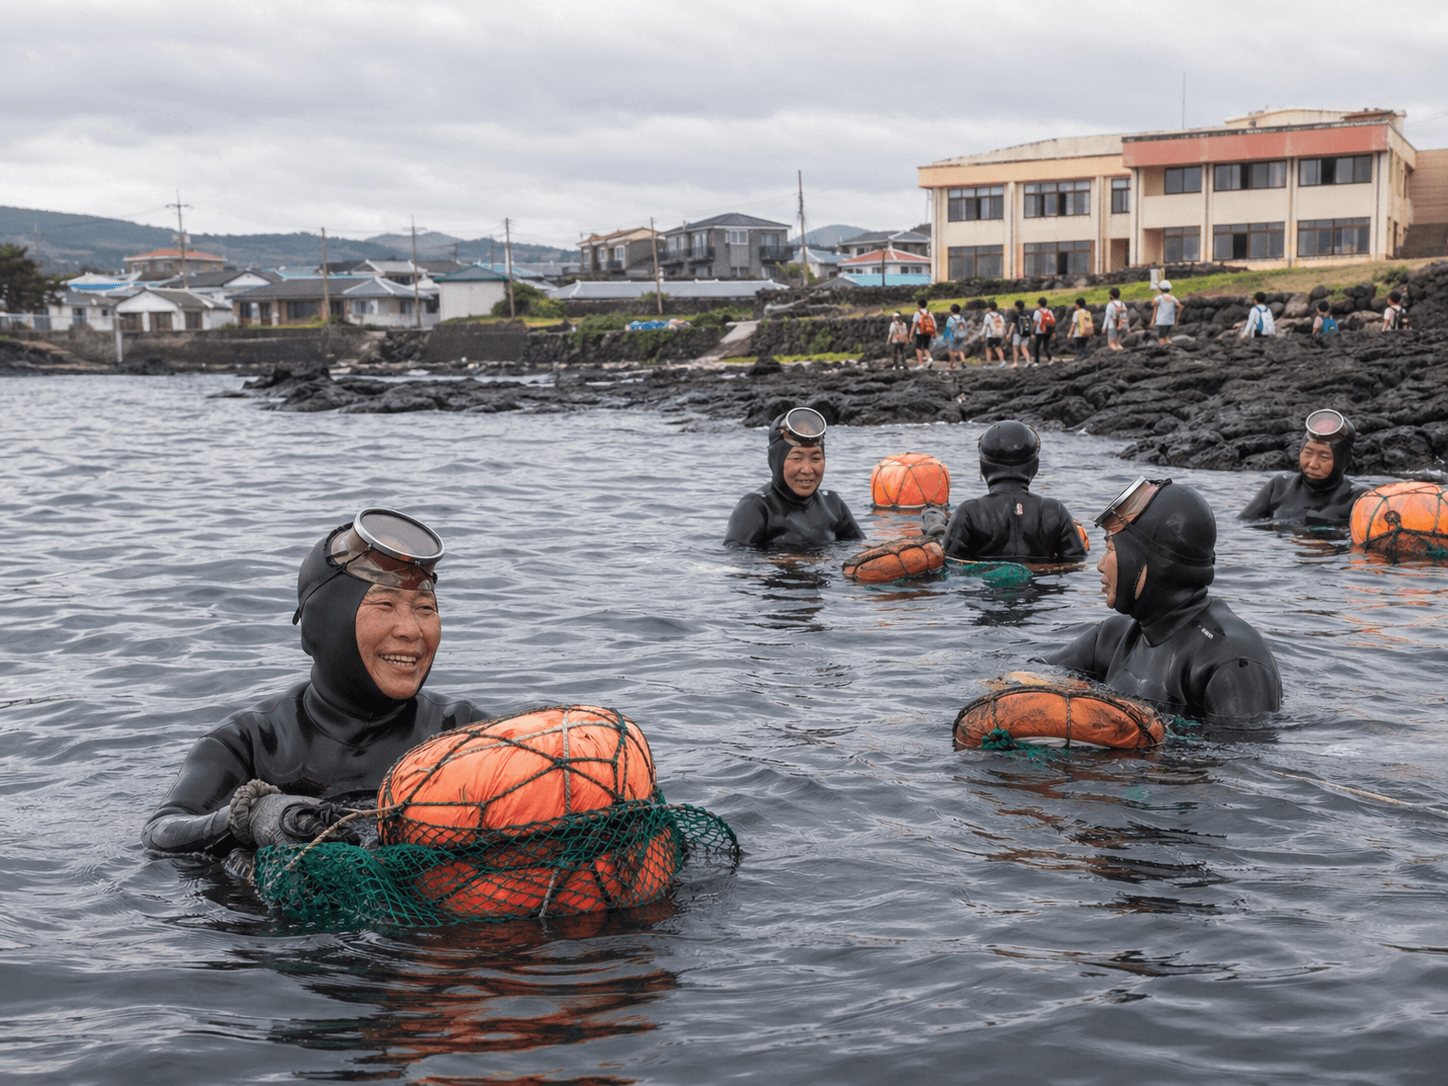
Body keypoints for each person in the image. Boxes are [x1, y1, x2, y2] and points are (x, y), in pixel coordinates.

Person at [142, 509, 488, 855]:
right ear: (323, 625)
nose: (410, 630)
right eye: (385, 604)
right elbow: (161, 833)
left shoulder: (463, 732)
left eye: (425, 609)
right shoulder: (251, 744)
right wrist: (249, 819)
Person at [1048, 479, 1282, 722]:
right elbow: (1028, 680)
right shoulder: (1110, 639)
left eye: (1111, 549)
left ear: (1148, 561)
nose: (1099, 565)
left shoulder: (1230, 660)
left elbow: (1242, 758)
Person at [922, 420, 1088, 564]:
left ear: (983, 466)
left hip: (985, 596)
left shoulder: (969, 512)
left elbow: (951, 564)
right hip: (1042, 595)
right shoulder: (1055, 511)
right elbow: (1077, 563)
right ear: (1034, 466)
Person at [724, 407, 863, 548]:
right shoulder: (756, 507)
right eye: (797, 458)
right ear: (776, 460)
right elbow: (736, 558)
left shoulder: (833, 504)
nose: (807, 470)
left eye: (815, 458)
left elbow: (863, 550)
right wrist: (788, 560)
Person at [1239, 408, 1365, 526]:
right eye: (1308, 453)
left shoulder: (1360, 499)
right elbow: (1243, 526)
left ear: (1344, 460)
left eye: (1324, 457)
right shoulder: (1279, 486)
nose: (1312, 464)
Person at [1151, 280, 1180, 345]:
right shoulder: (1172, 297)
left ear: (1161, 289)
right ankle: (1170, 346)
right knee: (1166, 337)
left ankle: (1165, 349)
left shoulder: (1158, 297)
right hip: (1170, 321)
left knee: (1161, 338)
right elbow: (1178, 305)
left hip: (1162, 321)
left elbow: (1153, 304)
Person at [911, 298, 937, 367]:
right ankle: (929, 359)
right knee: (926, 347)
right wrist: (934, 333)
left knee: (918, 347)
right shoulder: (929, 313)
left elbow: (914, 325)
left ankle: (921, 363)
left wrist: (910, 335)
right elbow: (934, 324)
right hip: (928, 332)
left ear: (919, 305)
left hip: (920, 332)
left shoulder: (917, 313)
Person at [1031, 297, 1055, 365]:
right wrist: (1053, 332)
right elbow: (1052, 322)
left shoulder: (1037, 311)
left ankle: (1036, 362)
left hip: (1039, 331)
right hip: (1048, 331)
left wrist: (1032, 332)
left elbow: (1035, 323)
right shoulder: (1049, 311)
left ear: (1039, 304)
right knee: (1046, 346)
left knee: (1036, 347)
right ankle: (1050, 360)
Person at [1103, 287, 1128, 351]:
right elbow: (1124, 316)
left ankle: (1117, 356)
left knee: (1111, 344)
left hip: (1112, 327)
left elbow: (1107, 317)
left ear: (1111, 295)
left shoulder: (1110, 304)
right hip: (1121, 326)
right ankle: (1122, 353)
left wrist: (1104, 328)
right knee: (1118, 344)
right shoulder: (1123, 304)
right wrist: (1127, 328)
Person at [944, 303, 969, 368]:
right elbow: (965, 327)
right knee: (960, 350)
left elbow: (948, 329)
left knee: (952, 350)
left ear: (951, 311)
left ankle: (952, 364)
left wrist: (945, 337)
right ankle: (963, 362)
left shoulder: (951, 318)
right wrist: (966, 336)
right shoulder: (962, 318)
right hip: (962, 335)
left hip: (953, 336)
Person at [1010, 300, 1031, 368]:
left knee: (1015, 348)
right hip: (1026, 332)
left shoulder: (1016, 315)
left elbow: (1013, 325)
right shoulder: (1026, 314)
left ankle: (1015, 362)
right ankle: (1028, 361)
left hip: (1018, 333)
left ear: (1017, 307)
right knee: (1024, 348)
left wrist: (1009, 334)